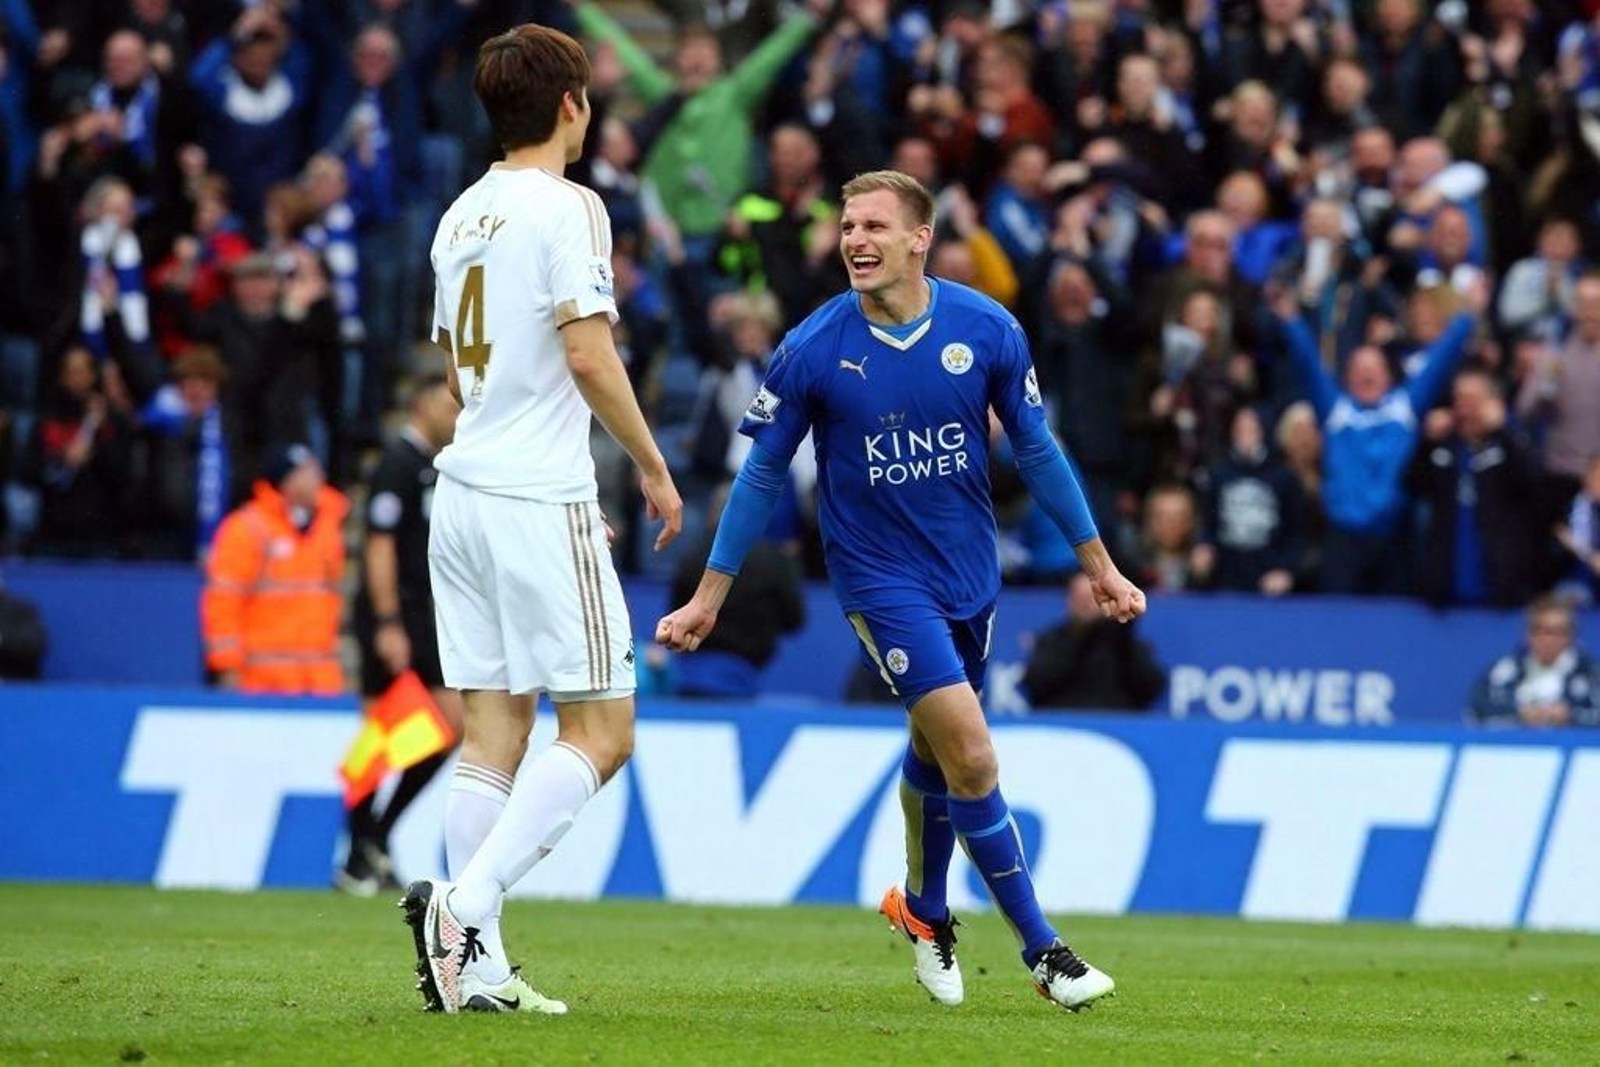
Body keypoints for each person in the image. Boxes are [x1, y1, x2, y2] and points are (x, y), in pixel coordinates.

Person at [658, 170, 1143, 1012]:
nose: (855, 239)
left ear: (921, 238)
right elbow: (762, 473)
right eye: (848, 225)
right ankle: (1045, 950)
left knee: (936, 751)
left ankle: (923, 910)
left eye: (875, 225)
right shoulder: (813, 346)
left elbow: (1035, 450)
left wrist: (1098, 564)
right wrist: (709, 596)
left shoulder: (986, 328)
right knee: (976, 751)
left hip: (968, 573)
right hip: (878, 579)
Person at [399, 24, 683, 1018]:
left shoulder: (459, 213)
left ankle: (474, 966)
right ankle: (465, 904)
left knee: (492, 728)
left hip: (464, 489)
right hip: (531, 493)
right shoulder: (571, 207)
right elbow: (588, 354)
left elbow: (457, 369)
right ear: (573, 105)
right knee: (603, 727)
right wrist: (648, 467)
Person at [338, 374, 464, 896]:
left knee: (422, 731)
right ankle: (363, 846)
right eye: (446, 404)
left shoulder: (429, 467)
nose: (455, 415)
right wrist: (388, 622)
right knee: (397, 731)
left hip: (419, 612)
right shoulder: (397, 463)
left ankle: (370, 843)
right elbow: (380, 545)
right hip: (394, 614)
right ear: (419, 405)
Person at [200, 444, 348, 694]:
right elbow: (224, 603)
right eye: (307, 472)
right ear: (287, 482)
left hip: (319, 681)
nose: (318, 478)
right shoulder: (247, 529)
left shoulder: (328, 528)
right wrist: (227, 668)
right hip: (263, 683)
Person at [1023, 572, 1165, 711]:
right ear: (1069, 601)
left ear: (1104, 600)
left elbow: (1151, 687)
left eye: (1090, 599)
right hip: (1063, 721)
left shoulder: (1123, 641)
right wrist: (1078, 636)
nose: (1085, 605)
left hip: (1115, 721)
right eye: (1079, 599)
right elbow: (1035, 685)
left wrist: (1123, 631)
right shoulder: (1053, 640)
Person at [1468, 597, 1600, 728]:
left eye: (1559, 632)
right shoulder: (1502, 672)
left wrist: (1571, 716)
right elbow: (1476, 711)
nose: (1549, 640)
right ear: (1528, 634)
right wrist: (1518, 714)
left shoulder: (1591, 674)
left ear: (1572, 635)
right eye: (1542, 631)